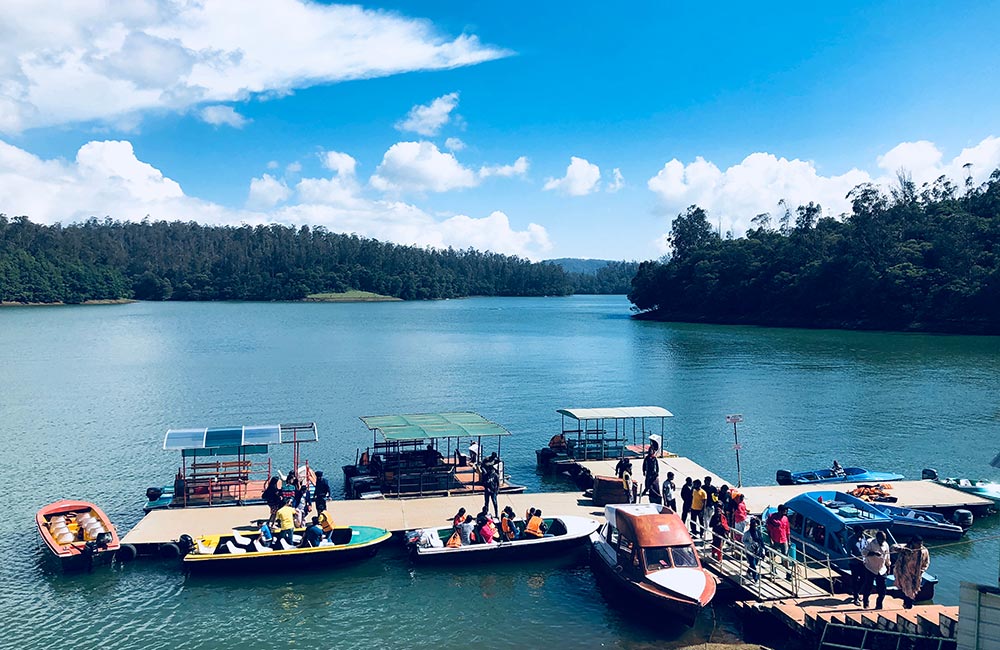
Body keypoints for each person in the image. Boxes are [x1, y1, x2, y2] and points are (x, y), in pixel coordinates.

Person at [893, 536, 930, 609]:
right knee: (908, 590)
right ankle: (909, 606)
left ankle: (906, 604)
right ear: (913, 542)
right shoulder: (906, 547)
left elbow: (926, 562)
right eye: (918, 544)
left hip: (916, 574)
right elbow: (893, 547)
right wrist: (902, 549)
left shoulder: (924, 551)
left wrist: (922, 570)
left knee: (913, 589)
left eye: (921, 544)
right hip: (905, 573)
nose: (920, 545)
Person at [861, 531, 890, 609]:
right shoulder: (870, 542)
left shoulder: (886, 544)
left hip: (882, 569)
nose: (883, 541)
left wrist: (888, 565)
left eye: (884, 539)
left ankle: (879, 604)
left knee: (882, 588)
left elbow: (887, 556)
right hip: (870, 568)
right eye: (881, 539)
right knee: (868, 586)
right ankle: (866, 602)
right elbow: (863, 552)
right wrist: (873, 553)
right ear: (877, 538)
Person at [766, 504, 791, 579]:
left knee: (785, 557)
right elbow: (769, 529)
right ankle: (773, 569)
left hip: (784, 540)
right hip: (775, 539)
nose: (786, 511)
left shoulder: (785, 518)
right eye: (785, 510)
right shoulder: (772, 517)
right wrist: (770, 540)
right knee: (773, 555)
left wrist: (789, 541)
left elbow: (787, 530)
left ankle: (788, 573)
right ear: (780, 511)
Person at [849, 529, 867, 606]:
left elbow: (865, 548)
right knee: (855, 580)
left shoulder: (863, 538)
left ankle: (857, 592)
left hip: (863, 563)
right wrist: (858, 559)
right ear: (856, 532)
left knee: (864, 579)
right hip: (854, 563)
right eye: (860, 532)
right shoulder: (850, 540)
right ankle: (856, 598)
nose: (862, 534)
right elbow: (849, 554)